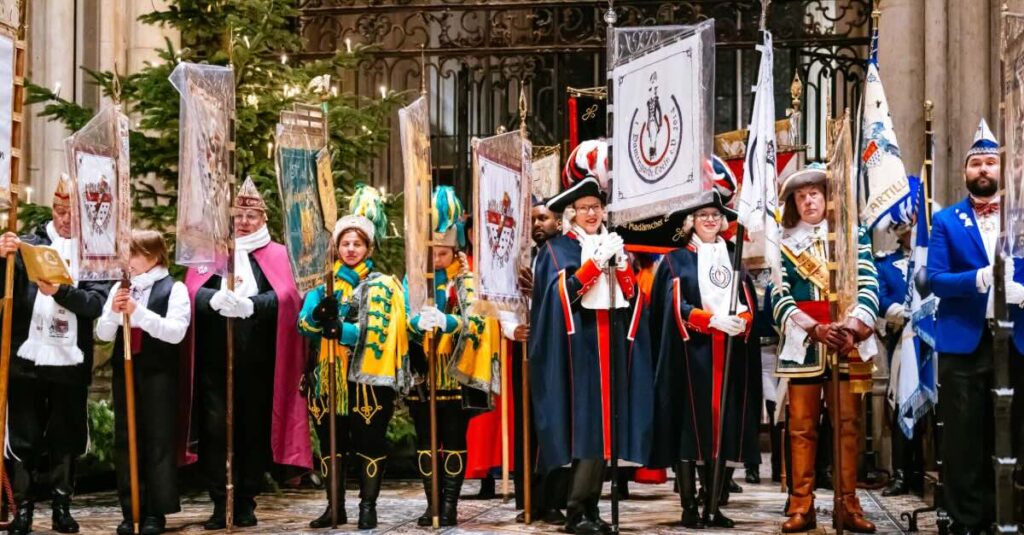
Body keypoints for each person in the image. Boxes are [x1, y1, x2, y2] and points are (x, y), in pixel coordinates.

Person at [184, 178, 311, 529]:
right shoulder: (211, 253)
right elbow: (190, 292)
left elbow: (289, 297)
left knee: (252, 431)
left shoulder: (279, 255)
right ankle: (219, 500)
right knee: (215, 432)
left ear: (263, 218)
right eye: (238, 216)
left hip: (260, 362)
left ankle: (245, 501)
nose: (243, 222)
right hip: (213, 362)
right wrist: (212, 299)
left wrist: (253, 305)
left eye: (251, 216)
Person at [530, 175, 653, 534]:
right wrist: (594, 265)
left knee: (605, 433)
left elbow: (631, 297)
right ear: (572, 213)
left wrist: (622, 266)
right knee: (587, 431)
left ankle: (591, 507)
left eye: (596, 207)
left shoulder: (613, 243)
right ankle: (575, 511)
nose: (591, 214)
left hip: (610, 346)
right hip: (578, 352)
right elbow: (558, 299)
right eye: (584, 208)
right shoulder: (557, 249)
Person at [927, 119, 1024, 534]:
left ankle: (1010, 513)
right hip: (964, 340)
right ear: (965, 171)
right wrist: (978, 279)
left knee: (1013, 432)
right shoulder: (946, 221)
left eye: (990, 162)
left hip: (1016, 338)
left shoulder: (1020, 217)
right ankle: (967, 519)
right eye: (976, 164)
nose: (983, 169)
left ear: (1002, 168)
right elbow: (935, 279)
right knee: (964, 437)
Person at [771, 164, 879, 533]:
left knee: (847, 426)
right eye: (801, 196)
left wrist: (853, 329)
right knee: (801, 428)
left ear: (827, 197)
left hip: (846, 342)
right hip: (804, 344)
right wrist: (813, 328)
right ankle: (802, 505)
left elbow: (869, 282)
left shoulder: (852, 235)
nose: (808, 201)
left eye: (814, 194)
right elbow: (778, 296)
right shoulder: (783, 242)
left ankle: (847, 503)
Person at [0, 178, 111, 535]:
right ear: (53, 210)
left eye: (72, 214)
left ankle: (62, 507)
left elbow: (95, 303)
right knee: (25, 436)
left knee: (66, 436)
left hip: (70, 360)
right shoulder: (26, 244)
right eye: (61, 212)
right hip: (26, 360)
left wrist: (61, 292)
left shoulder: (95, 254)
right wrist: (1, 258)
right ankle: (23, 509)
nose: (65, 219)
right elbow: (4, 292)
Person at [298, 185, 410, 530]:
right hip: (328, 377)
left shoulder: (382, 286)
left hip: (367, 380)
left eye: (357, 244)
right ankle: (335, 507)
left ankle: (367, 507)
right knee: (331, 443)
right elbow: (303, 325)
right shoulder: (323, 286)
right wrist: (319, 315)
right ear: (336, 247)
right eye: (345, 243)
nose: (350, 249)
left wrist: (343, 330)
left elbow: (382, 330)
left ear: (368, 248)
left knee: (369, 441)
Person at [648, 191, 761, 529]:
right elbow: (672, 306)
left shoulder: (733, 256)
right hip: (690, 357)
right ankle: (688, 507)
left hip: (729, 356)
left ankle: (713, 505)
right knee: (689, 430)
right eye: (702, 215)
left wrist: (742, 319)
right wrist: (708, 320)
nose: (710, 220)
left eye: (715, 214)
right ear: (690, 222)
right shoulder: (675, 260)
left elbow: (747, 299)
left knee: (722, 430)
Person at [406, 185, 499, 527]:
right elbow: (403, 315)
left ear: (454, 249)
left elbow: (479, 320)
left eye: (442, 253)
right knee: (426, 443)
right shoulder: (414, 277)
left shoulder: (468, 279)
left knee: (454, 439)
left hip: (455, 373)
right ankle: (431, 502)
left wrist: (449, 322)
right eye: (432, 252)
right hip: (423, 373)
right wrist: (416, 324)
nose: (436, 259)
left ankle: (449, 504)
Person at [96, 231, 190, 535]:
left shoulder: (174, 289)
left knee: (157, 438)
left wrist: (139, 312)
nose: (127, 261)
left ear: (153, 256)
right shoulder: (120, 287)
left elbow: (175, 332)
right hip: (126, 369)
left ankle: (155, 512)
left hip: (158, 372)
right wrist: (113, 313)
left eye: (133, 254)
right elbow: (103, 334)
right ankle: (131, 508)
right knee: (126, 438)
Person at [875, 221, 925, 497]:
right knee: (903, 402)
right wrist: (905, 313)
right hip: (904, 339)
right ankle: (902, 473)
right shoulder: (885, 263)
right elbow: (879, 297)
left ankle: (930, 473)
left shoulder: (935, 258)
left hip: (938, 338)